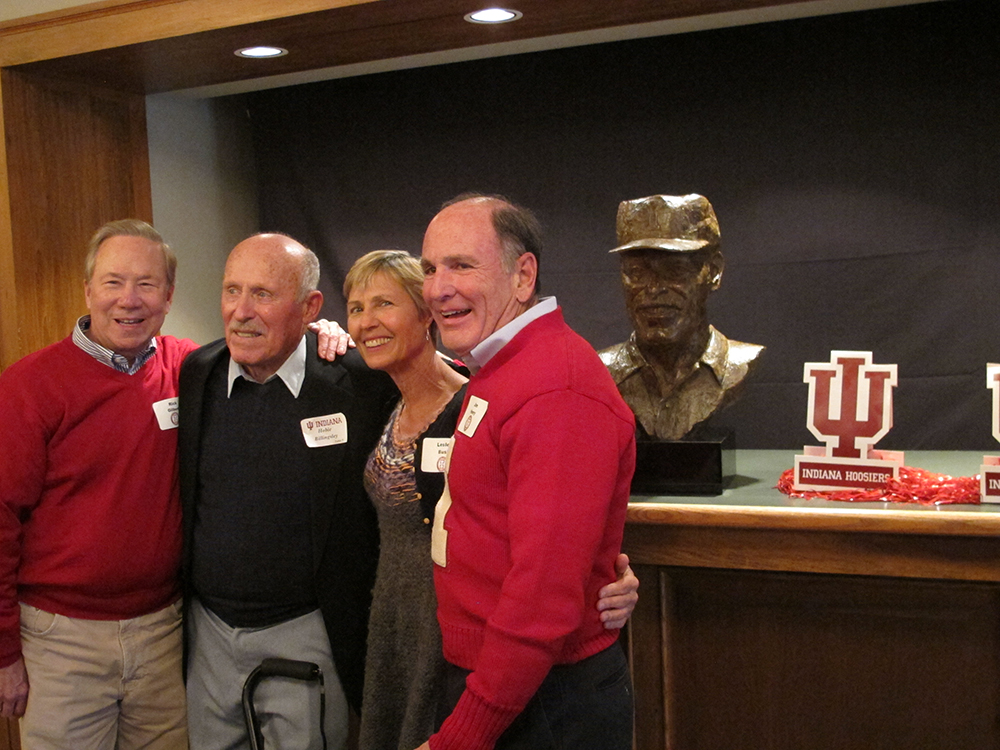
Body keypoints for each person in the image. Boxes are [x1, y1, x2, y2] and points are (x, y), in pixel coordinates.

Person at [416, 195, 637, 750]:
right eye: (429, 268)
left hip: (543, 700)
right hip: (509, 684)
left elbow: (543, 596)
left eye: (461, 265)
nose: (438, 288)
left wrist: (461, 737)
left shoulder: (555, 386)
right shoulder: (501, 368)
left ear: (523, 275)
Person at [178, 233, 397, 750]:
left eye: (263, 294)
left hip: (309, 632)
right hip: (207, 634)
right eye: (232, 291)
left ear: (310, 307)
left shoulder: (359, 383)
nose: (241, 312)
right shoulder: (198, 374)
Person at [0, 219, 192, 748]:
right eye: (113, 282)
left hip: (162, 634)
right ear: (88, 290)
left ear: (169, 295)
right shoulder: (28, 388)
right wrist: (4, 653)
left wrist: (321, 335)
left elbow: (261, 355)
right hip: (60, 641)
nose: (129, 300)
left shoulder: (188, 368)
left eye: (147, 284)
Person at [599, 193, 765, 440]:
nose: (653, 289)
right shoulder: (601, 371)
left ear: (714, 272)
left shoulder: (739, 363)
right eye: (636, 272)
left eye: (675, 270)